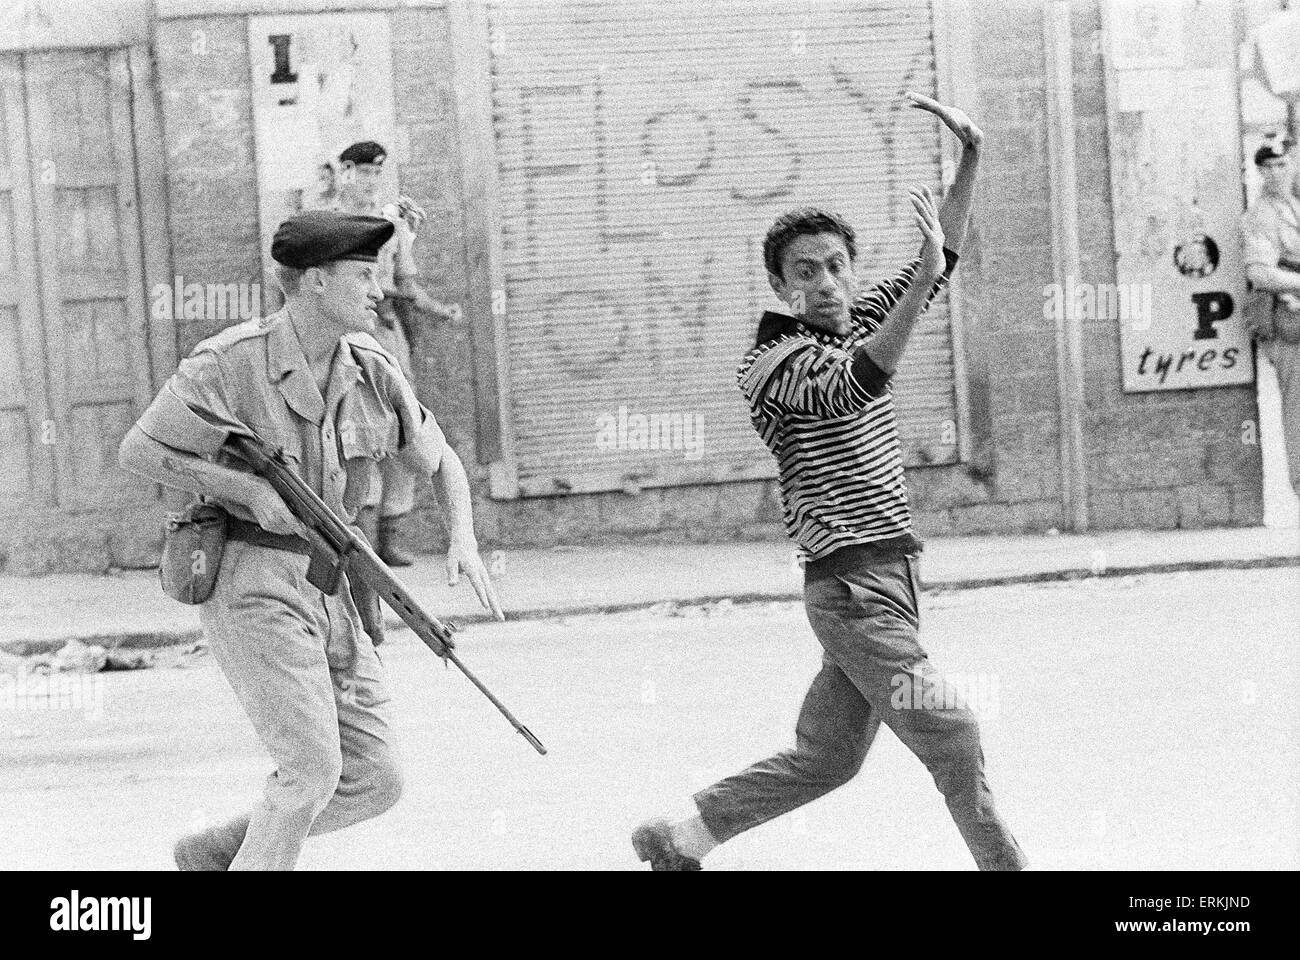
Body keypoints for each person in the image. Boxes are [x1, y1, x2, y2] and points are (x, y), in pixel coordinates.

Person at [631, 92, 1027, 871]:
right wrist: (917, 284)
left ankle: (682, 838)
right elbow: (859, 382)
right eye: (804, 272)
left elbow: (935, 260)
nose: (825, 282)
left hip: (892, 578)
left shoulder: (853, 320)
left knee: (828, 758)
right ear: (780, 288)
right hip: (851, 591)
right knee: (953, 731)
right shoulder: (773, 364)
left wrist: (971, 157)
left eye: (838, 266)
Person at [118, 210, 503, 870]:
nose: (380, 290)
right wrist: (244, 490)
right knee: (311, 770)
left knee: (376, 779)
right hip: (253, 583)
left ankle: (218, 854)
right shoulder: (230, 363)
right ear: (315, 283)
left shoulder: (373, 367)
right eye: (364, 275)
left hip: (335, 588)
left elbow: (439, 461)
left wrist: (462, 536)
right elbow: (140, 451)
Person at [332, 140, 459, 567]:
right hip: (347, 339)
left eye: (375, 175)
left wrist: (439, 309)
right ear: (344, 173)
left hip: (387, 336)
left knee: (402, 426)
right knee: (355, 430)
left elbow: (407, 282)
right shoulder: (328, 223)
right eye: (361, 173)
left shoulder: (394, 224)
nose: (369, 183)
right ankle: (361, 536)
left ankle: (391, 534)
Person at [1242, 139, 1300, 498]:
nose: (1276, 173)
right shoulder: (1261, 214)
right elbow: (1261, 273)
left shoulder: (1293, 205)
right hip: (1287, 322)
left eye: (1282, 165)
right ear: (1260, 171)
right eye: (1268, 167)